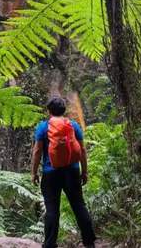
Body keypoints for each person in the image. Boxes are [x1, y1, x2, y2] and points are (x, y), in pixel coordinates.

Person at [31, 97, 97, 248]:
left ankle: (49, 244)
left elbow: (37, 151)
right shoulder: (73, 125)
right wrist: (84, 171)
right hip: (72, 172)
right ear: (64, 110)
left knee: (52, 209)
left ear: (49, 111)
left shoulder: (43, 127)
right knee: (79, 205)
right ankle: (89, 242)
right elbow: (82, 150)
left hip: (51, 173)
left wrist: (34, 173)